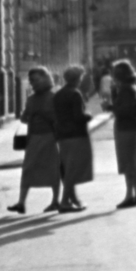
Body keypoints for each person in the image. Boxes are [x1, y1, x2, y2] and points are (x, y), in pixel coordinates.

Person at [8, 66, 62, 214]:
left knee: (52, 170)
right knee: (27, 169)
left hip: (49, 138)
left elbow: (58, 119)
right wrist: (30, 116)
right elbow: (24, 118)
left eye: (36, 80)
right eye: (31, 81)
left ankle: (56, 201)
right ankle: (21, 203)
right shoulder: (31, 99)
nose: (33, 84)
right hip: (33, 138)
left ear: (45, 79)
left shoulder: (53, 97)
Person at [105, 58, 136, 208]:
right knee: (133, 161)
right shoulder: (131, 87)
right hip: (130, 126)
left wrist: (111, 107)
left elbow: (124, 110)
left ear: (118, 75)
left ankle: (130, 195)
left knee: (128, 162)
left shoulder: (126, 89)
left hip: (125, 128)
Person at [53, 65, 93, 212]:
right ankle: (64, 202)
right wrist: (88, 115)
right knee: (73, 170)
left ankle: (73, 199)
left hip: (62, 135)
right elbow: (78, 117)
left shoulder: (59, 94)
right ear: (78, 78)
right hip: (76, 135)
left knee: (69, 168)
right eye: (81, 77)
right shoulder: (75, 93)